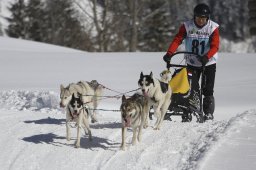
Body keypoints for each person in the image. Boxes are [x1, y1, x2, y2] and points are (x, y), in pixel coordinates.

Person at [163, 3, 220, 121]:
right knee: (189, 87)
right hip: (192, 62)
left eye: (203, 18)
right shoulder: (187, 26)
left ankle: (208, 113)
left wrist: (206, 56)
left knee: (207, 89)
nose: (200, 21)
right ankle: (188, 109)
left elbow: (215, 46)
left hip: (208, 63)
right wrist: (169, 53)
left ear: (207, 18)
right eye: (198, 18)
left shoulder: (212, 28)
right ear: (194, 17)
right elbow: (177, 39)